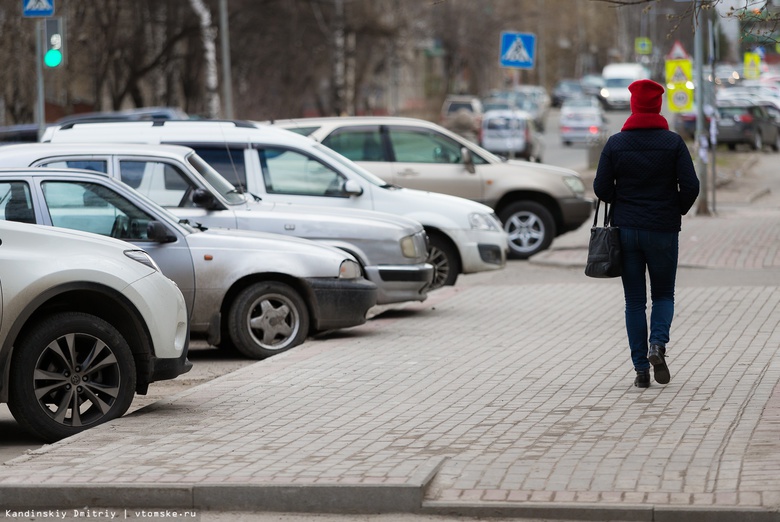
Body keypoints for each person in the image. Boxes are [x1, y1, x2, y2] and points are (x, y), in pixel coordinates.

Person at [593, 79, 700, 388]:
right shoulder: (673, 142)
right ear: (657, 105)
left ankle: (641, 370)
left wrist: (623, 197)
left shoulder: (615, 143)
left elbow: (601, 188)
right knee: (664, 294)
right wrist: (674, 208)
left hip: (626, 231)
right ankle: (658, 345)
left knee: (634, 301)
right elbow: (691, 186)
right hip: (663, 230)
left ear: (633, 105)